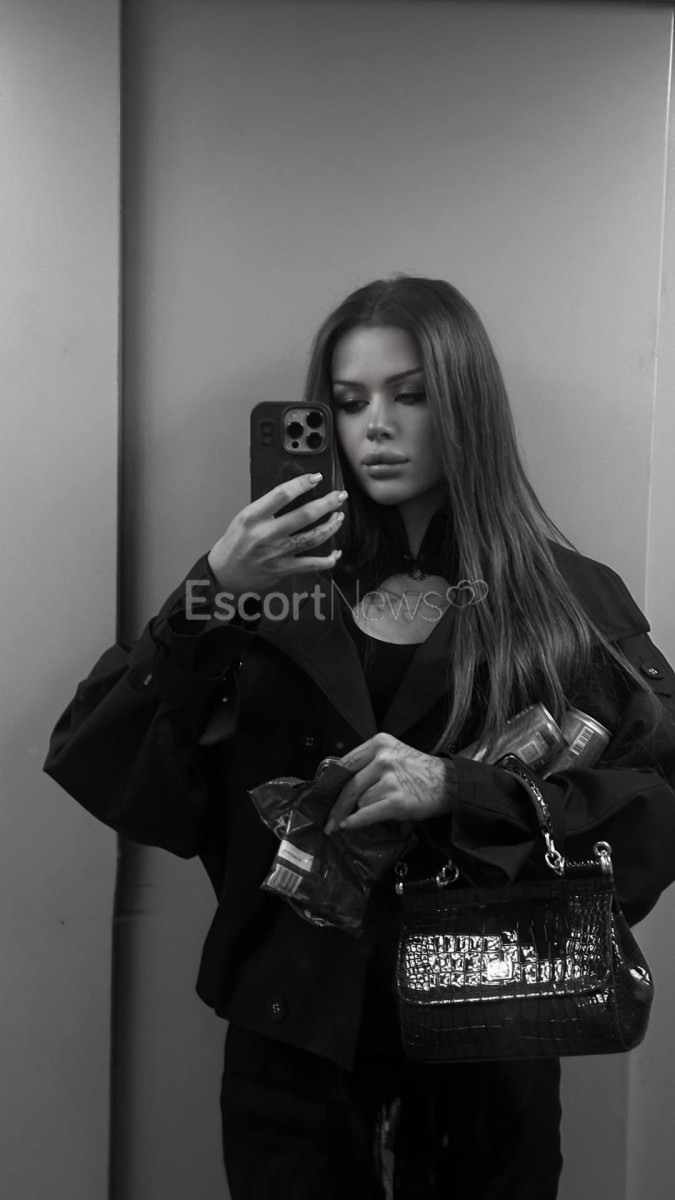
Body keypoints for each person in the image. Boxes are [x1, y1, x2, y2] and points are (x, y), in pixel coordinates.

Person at [45, 276, 675, 1199]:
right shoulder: (264, 589)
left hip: (489, 1012)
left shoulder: (563, 599)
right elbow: (103, 760)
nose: (375, 426)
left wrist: (456, 789)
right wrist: (213, 590)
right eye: (348, 402)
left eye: (409, 394)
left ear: (464, 404)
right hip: (292, 1016)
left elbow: (656, 808)